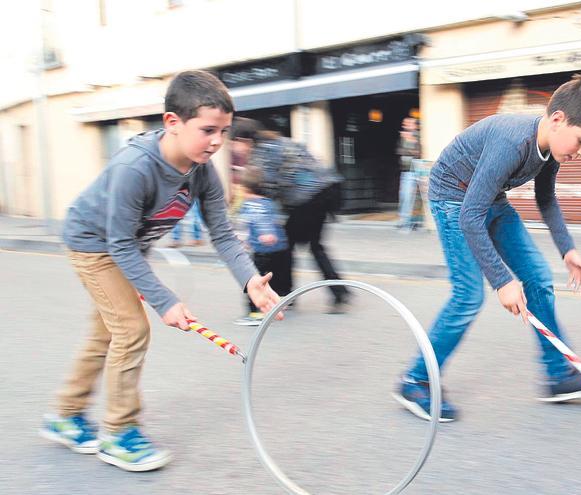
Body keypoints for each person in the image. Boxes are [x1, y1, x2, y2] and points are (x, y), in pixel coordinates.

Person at [40, 70, 284, 471]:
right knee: (131, 330)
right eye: (208, 130)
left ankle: (65, 415)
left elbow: (222, 232)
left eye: (224, 131)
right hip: (94, 244)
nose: (218, 141)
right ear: (173, 122)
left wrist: (250, 279)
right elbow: (117, 243)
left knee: (107, 332)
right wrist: (165, 301)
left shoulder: (202, 168)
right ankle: (118, 433)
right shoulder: (135, 167)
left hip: (126, 247)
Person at [392, 74, 581, 422]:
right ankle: (415, 381)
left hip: (487, 199)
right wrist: (501, 280)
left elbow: (546, 199)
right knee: (469, 295)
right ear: (558, 119)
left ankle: (558, 375)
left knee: (538, 278)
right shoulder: (512, 141)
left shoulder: (549, 148)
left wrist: (567, 249)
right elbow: (470, 217)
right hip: (453, 200)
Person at [231, 118, 352, 314]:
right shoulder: (277, 142)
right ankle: (339, 293)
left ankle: (286, 293)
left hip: (310, 197)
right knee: (313, 246)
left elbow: (266, 190)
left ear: (244, 139)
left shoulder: (263, 152)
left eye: (235, 142)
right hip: (328, 190)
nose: (235, 148)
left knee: (286, 244)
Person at [233, 166, 291, 326]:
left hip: (261, 251)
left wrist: (242, 242)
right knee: (277, 278)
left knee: (253, 282)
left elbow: (252, 222)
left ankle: (255, 313)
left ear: (244, 189)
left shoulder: (250, 205)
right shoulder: (269, 203)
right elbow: (278, 221)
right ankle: (280, 301)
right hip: (280, 249)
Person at [396, 117, 421, 232]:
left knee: (412, 198)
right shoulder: (403, 137)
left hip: (414, 171)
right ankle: (405, 221)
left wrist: (410, 140)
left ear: (414, 125)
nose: (405, 125)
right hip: (405, 171)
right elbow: (399, 151)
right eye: (405, 123)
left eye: (408, 123)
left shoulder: (417, 137)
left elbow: (418, 152)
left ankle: (411, 222)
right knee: (404, 197)